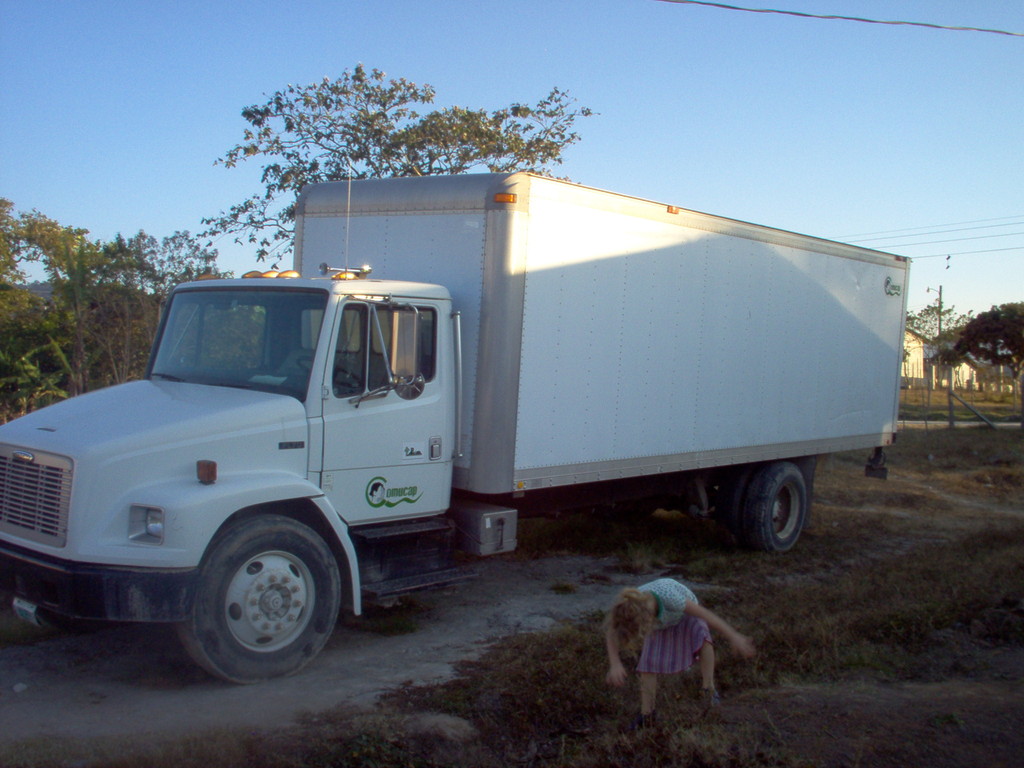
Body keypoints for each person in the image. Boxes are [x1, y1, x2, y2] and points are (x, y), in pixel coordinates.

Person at [604, 577, 755, 729]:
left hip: (683, 615)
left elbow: (706, 615)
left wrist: (733, 635)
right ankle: (647, 714)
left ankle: (708, 689)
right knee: (648, 662)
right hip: (660, 622)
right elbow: (612, 630)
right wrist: (615, 663)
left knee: (702, 635)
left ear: (648, 619)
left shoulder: (671, 598)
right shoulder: (628, 607)